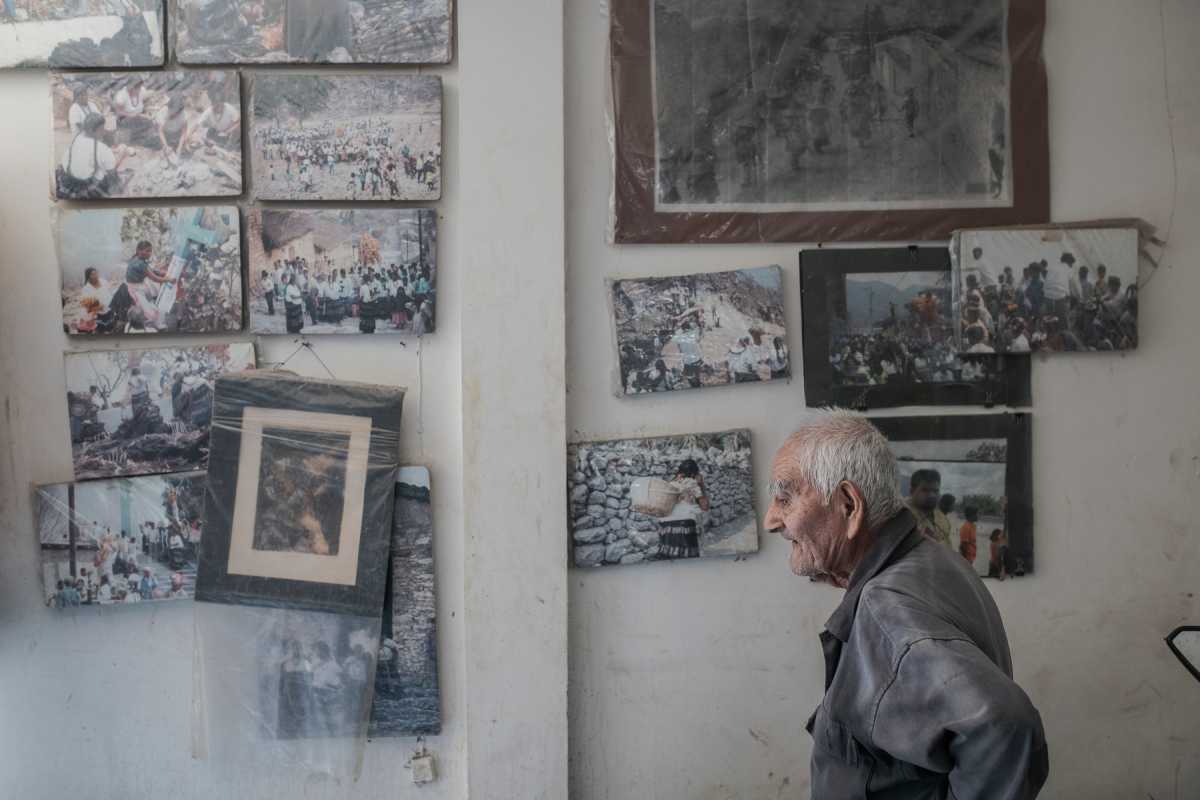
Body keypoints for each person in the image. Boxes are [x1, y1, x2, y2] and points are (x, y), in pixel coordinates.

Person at [763, 411, 1048, 798]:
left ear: (849, 504)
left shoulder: (887, 609)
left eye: (785, 498)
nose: (771, 520)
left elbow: (1006, 726)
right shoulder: (928, 555)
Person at [58, 112, 128, 198]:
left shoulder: (77, 138)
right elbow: (112, 174)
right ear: (92, 130)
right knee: (116, 182)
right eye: (102, 129)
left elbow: (87, 151)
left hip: (68, 180)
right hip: (87, 187)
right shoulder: (102, 149)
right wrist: (122, 155)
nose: (104, 132)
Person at [657, 459, 709, 559]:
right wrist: (701, 484)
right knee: (687, 560)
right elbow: (705, 506)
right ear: (694, 473)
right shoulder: (692, 483)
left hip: (665, 528)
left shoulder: (670, 483)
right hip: (684, 526)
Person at [905, 469, 952, 547]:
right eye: (925, 490)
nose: (932, 495)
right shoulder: (901, 515)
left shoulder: (942, 519)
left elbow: (949, 546)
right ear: (912, 491)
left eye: (935, 491)